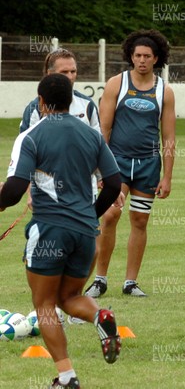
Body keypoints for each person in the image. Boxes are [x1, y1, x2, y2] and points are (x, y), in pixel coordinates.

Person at [0, 73, 122, 389]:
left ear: (41, 101)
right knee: (69, 297)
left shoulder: (31, 136)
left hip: (49, 231)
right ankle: (100, 317)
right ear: (70, 101)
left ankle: (66, 377)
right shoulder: (91, 135)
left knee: (44, 305)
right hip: (85, 232)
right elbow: (114, 184)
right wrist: (90, 214)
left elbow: (14, 189)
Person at [84, 29, 176, 298]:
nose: (142, 60)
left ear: (156, 58)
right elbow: (103, 129)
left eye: (147, 56)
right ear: (131, 56)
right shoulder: (117, 83)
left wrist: (167, 175)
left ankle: (130, 282)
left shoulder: (164, 91)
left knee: (139, 220)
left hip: (148, 164)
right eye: (137, 55)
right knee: (110, 215)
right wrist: (101, 168)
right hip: (117, 163)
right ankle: (100, 279)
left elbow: (169, 137)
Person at [19, 48, 105, 324]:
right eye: (63, 72)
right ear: (49, 74)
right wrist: (31, 190)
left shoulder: (88, 105)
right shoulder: (34, 108)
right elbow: (26, 152)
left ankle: (72, 299)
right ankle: (54, 303)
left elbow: (100, 146)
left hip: (84, 191)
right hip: (49, 195)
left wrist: (103, 180)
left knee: (90, 243)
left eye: (73, 71)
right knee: (52, 247)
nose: (70, 77)